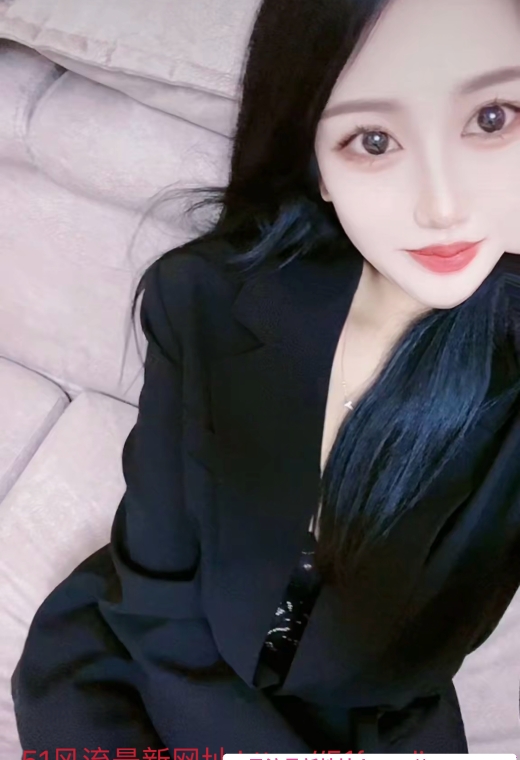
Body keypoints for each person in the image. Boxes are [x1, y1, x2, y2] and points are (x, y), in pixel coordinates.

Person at [11, 0, 520, 753]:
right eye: (373, 140)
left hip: (360, 717)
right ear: (317, 164)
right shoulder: (205, 298)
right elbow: (155, 585)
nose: (442, 206)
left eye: (492, 119)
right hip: (148, 664)